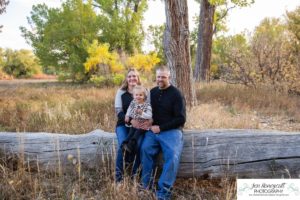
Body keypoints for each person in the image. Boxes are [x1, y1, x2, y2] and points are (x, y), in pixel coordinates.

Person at [138, 66, 186, 200]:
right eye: (158, 76)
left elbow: (181, 119)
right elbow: (146, 111)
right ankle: (146, 186)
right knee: (145, 149)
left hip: (172, 131)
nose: (160, 79)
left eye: (163, 77)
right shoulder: (152, 92)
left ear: (169, 77)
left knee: (172, 156)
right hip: (153, 131)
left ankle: (163, 193)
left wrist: (161, 128)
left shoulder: (176, 94)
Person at [114, 68, 144, 182]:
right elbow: (118, 111)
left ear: (138, 78)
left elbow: (147, 109)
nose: (132, 78)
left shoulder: (144, 91)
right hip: (123, 124)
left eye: (134, 76)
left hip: (139, 127)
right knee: (123, 145)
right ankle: (118, 179)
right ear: (127, 79)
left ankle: (135, 176)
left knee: (139, 145)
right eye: (130, 76)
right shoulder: (121, 92)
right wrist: (131, 120)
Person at [122, 85, 152, 154]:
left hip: (143, 125)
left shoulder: (147, 105)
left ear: (144, 96)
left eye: (140, 95)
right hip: (135, 123)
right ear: (133, 96)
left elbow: (149, 116)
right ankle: (124, 144)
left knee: (137, 134)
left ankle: (130, 145)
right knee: (131, 132)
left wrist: (142, 113)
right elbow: (129, 109)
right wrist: (127, 115)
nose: (138, 96)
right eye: (136, 95)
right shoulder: (133, 102)